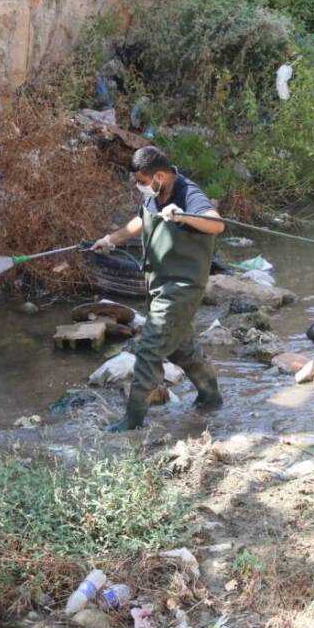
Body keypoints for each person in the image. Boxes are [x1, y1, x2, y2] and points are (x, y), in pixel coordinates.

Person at [92, 146, 225, 431]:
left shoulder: (188, 194)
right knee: (180, 349)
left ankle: (133, 420)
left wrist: (183, 216)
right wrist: (110, 239)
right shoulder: (155, 194)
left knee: (149, 349)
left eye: (142, 181)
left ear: (160, 176)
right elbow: (141, 220)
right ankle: (211, 397)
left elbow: (216, 225)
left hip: (183, 287)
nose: (140, 186)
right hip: (159, 285)